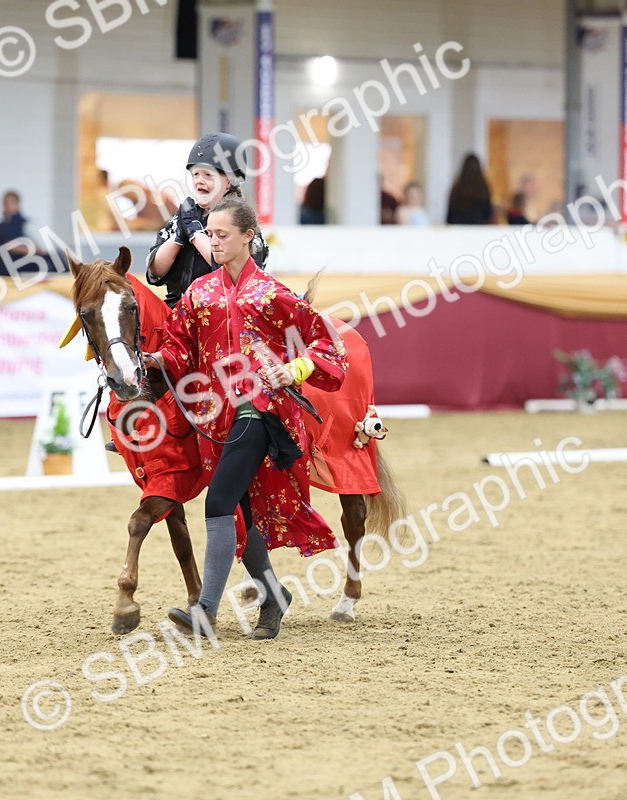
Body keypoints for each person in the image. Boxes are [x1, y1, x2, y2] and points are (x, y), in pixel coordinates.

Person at [145, 195, 347, 640]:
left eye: (222, 235)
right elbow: (180, 349)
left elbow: (326, 345)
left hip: (263, 412)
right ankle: (273, 597)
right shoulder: (200, 293)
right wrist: (153, 359)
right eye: (210, 235)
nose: (213, 242)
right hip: (216, 420)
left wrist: (294, 369)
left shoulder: (273, 295)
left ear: (248, 237)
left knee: (218, 502)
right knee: (241, 507)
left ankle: (205, 612)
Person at [146, 132, 267, 308]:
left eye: (208, 175)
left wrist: (195, 233)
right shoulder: (185, 217)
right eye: (195, 174)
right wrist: (179, 237)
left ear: (230, 182)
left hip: (222, 316)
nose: (199, 181)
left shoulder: (242, 221)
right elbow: (154, 272)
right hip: (177, 314)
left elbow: (233, 274)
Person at [0, 190, 40, 276]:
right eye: (5, 203)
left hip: (19, 275)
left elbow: (39, 250)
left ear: (17, 204)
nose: (7, 206)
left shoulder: (27, 225)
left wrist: (17, 248)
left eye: (10, 203)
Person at [446, 153, 494, 224]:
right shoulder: (483, 188)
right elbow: (488, 212)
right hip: (478, 227)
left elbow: (449, 216)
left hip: (458, 227)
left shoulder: (457, 187)